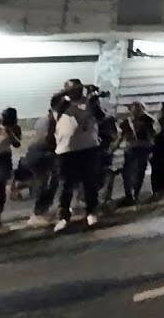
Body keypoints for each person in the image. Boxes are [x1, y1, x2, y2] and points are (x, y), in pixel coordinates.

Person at [52, 81, 106, 232]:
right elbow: (54, 99)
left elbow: (101, 117)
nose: (75, 91)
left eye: (77, 88)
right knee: (66, 185)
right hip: (65, 150)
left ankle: (91, 212)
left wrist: (93, 100)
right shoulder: (61, 104)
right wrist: (67, 91)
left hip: (89, 148)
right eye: (71, 88)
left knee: (90, 183)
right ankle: (63, 216)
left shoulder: (89, 103)